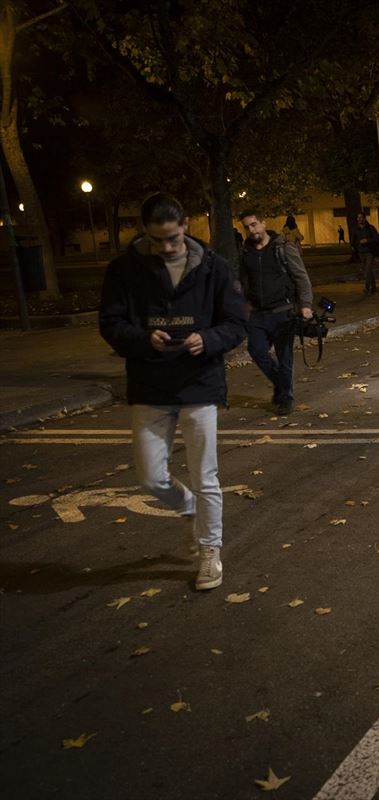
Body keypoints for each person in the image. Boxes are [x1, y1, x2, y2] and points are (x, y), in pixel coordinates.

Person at [99, 193, 247, 591]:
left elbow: (236, 323)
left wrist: (208, 339)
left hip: (199, 382)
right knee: (150, 476)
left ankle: (210, 552)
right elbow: (110, 324)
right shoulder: (125, 270)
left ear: (185, 226)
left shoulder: (214, 268)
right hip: (150, 383)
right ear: (145, 232)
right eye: (157, 240)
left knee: (206, 476)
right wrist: (145, 339)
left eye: (172, 239)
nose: (166, 247)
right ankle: (190, 510)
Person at [237, 211, 313, 415]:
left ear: (263, 222)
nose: (251, 230)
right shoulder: (246, 251)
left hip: (283, 311)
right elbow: (243, 280)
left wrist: (305, 305)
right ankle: (282, 385)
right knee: (256, 350)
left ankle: (286, 398)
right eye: (247, 227)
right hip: (258, 313)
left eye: (254, 225)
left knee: (285, 356)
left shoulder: (282, 247)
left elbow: (301, 277)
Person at [354, 211, 379, 294]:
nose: (359, 219)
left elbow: (376, 238)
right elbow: (354, 240)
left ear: (364, 218)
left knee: (368, 269)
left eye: (360, 217)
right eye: (358, 217)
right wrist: (355, 247)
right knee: (369, 270)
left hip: (369, 251)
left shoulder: (370, 228)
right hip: (361, 252)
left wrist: (367, 240)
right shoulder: (356, 229)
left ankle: (367, 287)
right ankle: (373, 287)